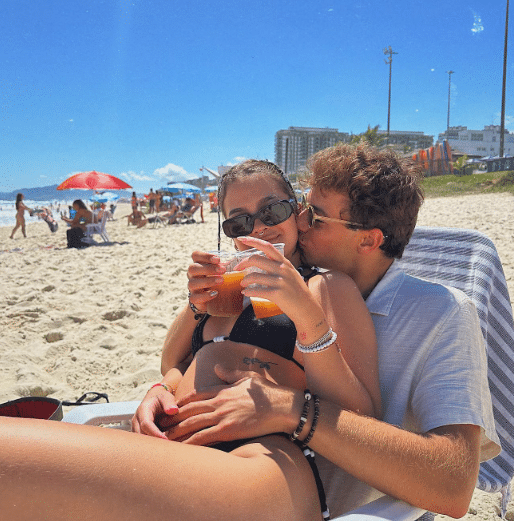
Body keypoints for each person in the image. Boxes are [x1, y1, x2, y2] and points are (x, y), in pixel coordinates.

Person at [0, 159, 380, 521]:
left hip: (263, 463)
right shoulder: (225, 290)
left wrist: (304, 314)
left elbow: (366, 419)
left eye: (272, 211)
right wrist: (163, 385)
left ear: (296, 212)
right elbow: (172, 361)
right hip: (178, 451)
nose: (259, 228)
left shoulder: (326, 287)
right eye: (239, 222)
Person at [135, 143, 500, 519]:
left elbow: (453, 488)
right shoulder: (265, 285)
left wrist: (291, 408)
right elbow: (177, 360)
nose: (300, 222)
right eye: (302, 209)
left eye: (315, 217)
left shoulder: (439, 313)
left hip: (281, 483)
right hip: (204, 458)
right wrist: (164, 385)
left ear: (369, 239)